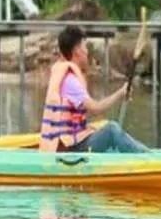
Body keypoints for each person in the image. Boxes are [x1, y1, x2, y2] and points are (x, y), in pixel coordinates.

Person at [39, 25, 150, 153]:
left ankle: (145, 153)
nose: (87, 51)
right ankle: (148, 158)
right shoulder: (70, 81)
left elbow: (87, 111)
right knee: (111, 130)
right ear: (77, 51)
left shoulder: (65, 75)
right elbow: (95, 108)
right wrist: (120, 93)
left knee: (102, 127)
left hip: (69, 144)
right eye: (85, 47)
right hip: (70, 149)